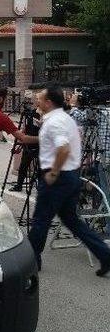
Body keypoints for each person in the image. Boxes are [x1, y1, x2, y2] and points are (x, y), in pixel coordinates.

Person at [28, 86, 110, 277]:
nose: (36, 101)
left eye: (39, 98)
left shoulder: (55, 122)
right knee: (72, 221)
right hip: (71, 175)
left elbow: (63, 148)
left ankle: (31, 261)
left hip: (58, 177)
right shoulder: (65, 118)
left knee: (41, 220)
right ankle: (105, 255)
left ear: (49, 102)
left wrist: (53, 172)